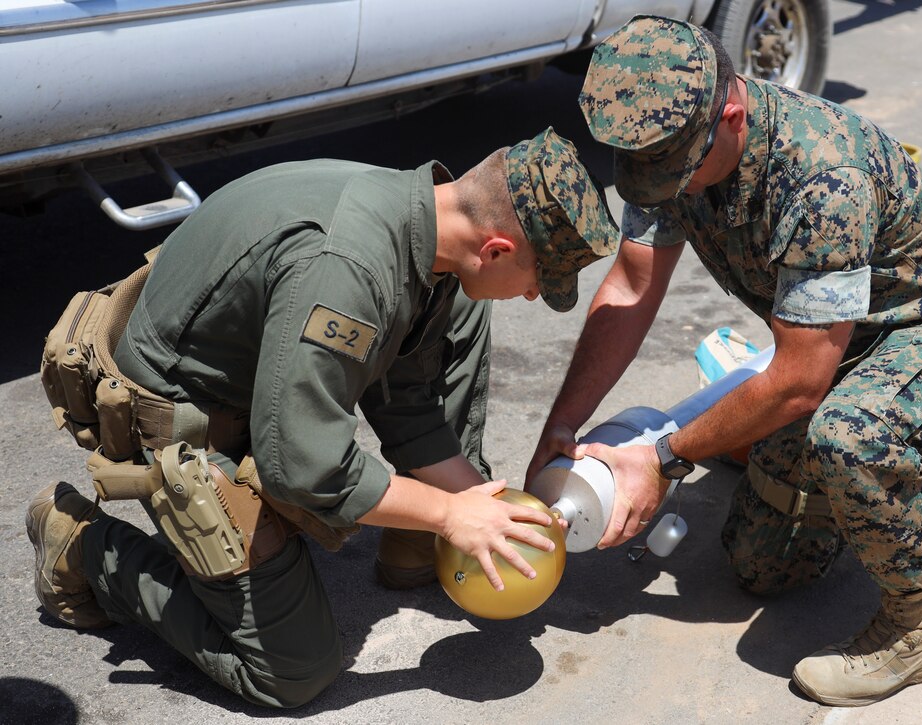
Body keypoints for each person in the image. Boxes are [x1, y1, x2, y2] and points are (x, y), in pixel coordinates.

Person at [526, 16, 922, 707]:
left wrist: (666, 458)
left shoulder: (821, 175)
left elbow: (798, 379)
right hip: (834, 339)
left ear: (730, 111)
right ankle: (880, 457)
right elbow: (634, 285)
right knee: (759, 568)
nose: (658, 187)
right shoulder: (668, 145)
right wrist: (562, 423)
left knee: (853, 439)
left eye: (674, 170)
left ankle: (915, 628)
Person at [27, 127, 620, 708]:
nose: (534, 298)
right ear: (497, 248)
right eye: (543, 279)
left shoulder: (424, 227)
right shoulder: (350, 267)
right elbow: (302, 465)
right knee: (292, 672)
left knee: (468, 310)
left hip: (257, 383)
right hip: (181, 416)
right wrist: (446, 514)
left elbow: (406, 400)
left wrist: (480, 505)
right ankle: (85, 546)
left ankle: (417, 535)